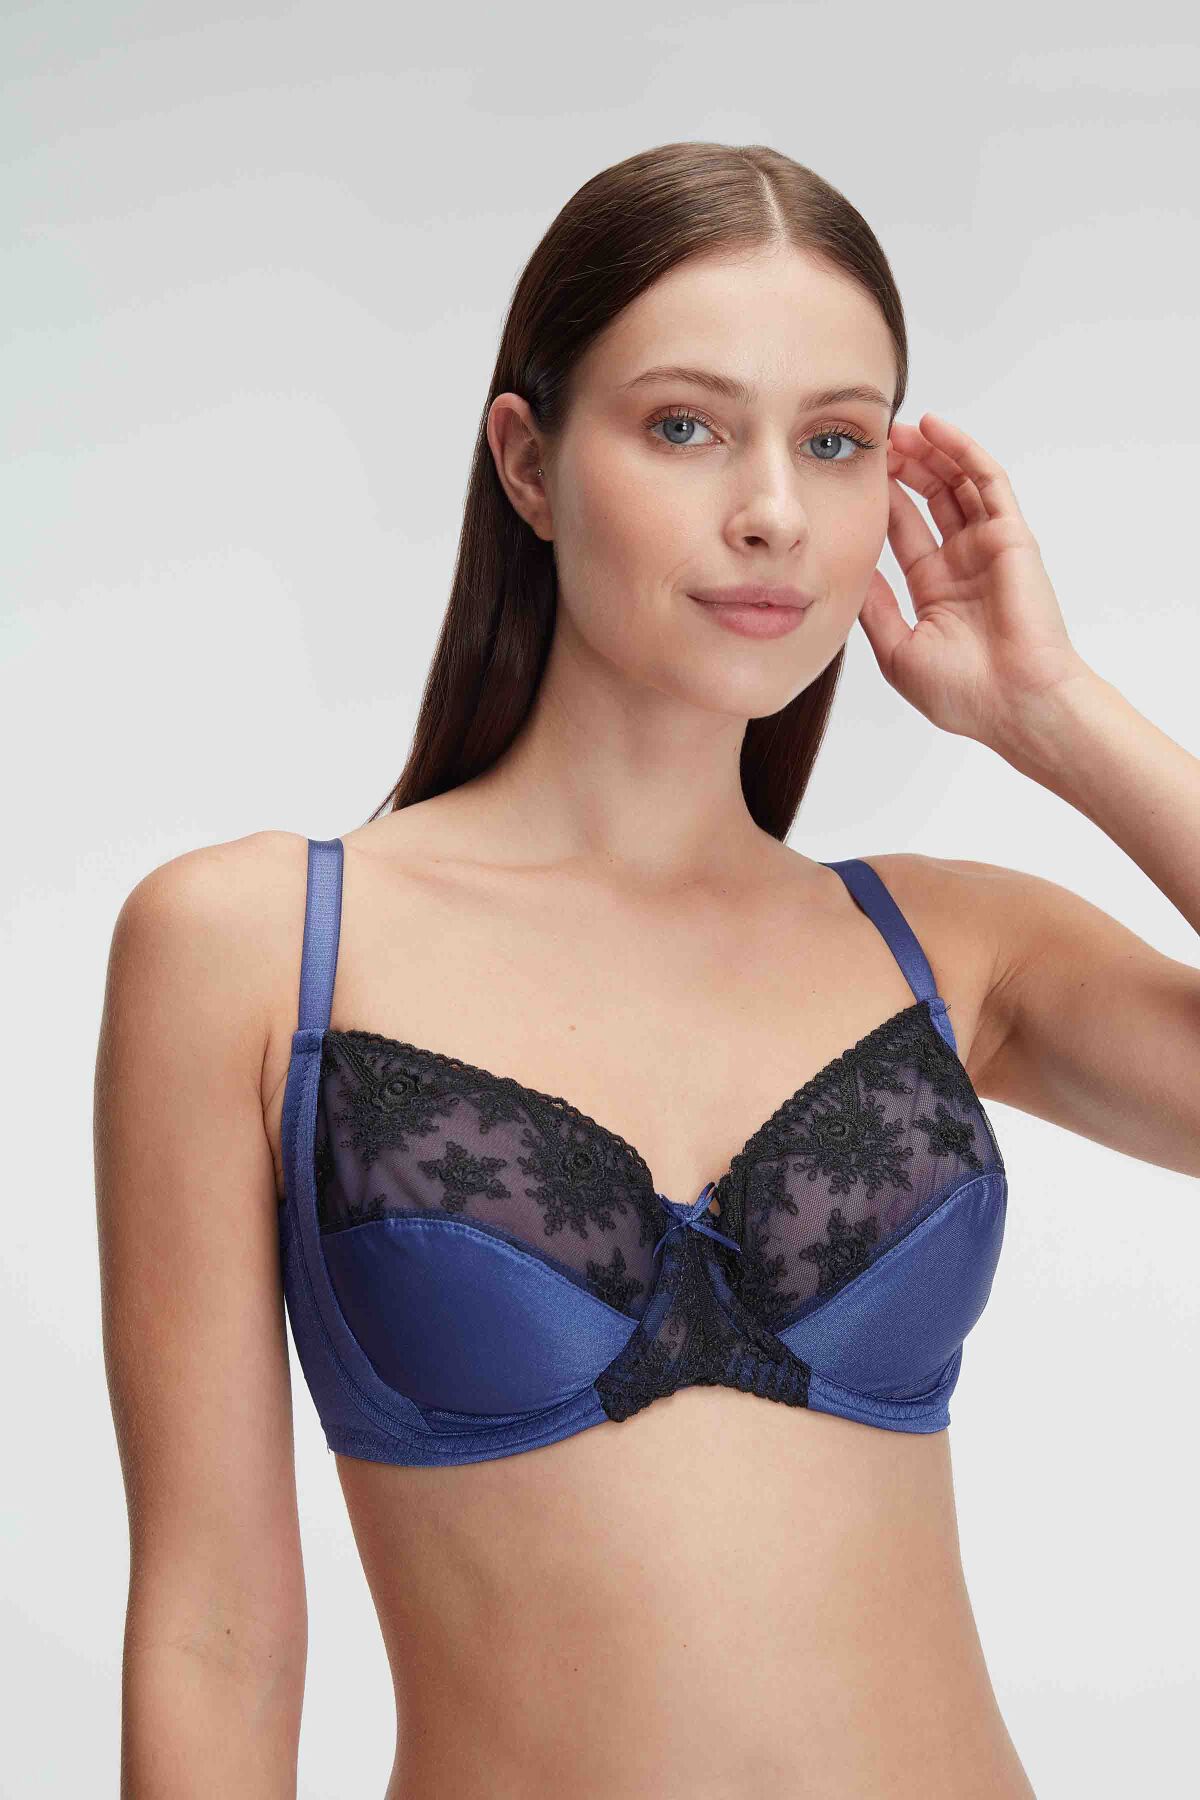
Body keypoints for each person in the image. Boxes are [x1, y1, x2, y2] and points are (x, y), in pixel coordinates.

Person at [95, 141, 1200, 1799]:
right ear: (528, 464)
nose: (773, 511)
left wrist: (1058, 715)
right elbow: (214, 1635)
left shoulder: (951, 950)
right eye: (686, 426)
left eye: (836, 442)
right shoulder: (255, 947)